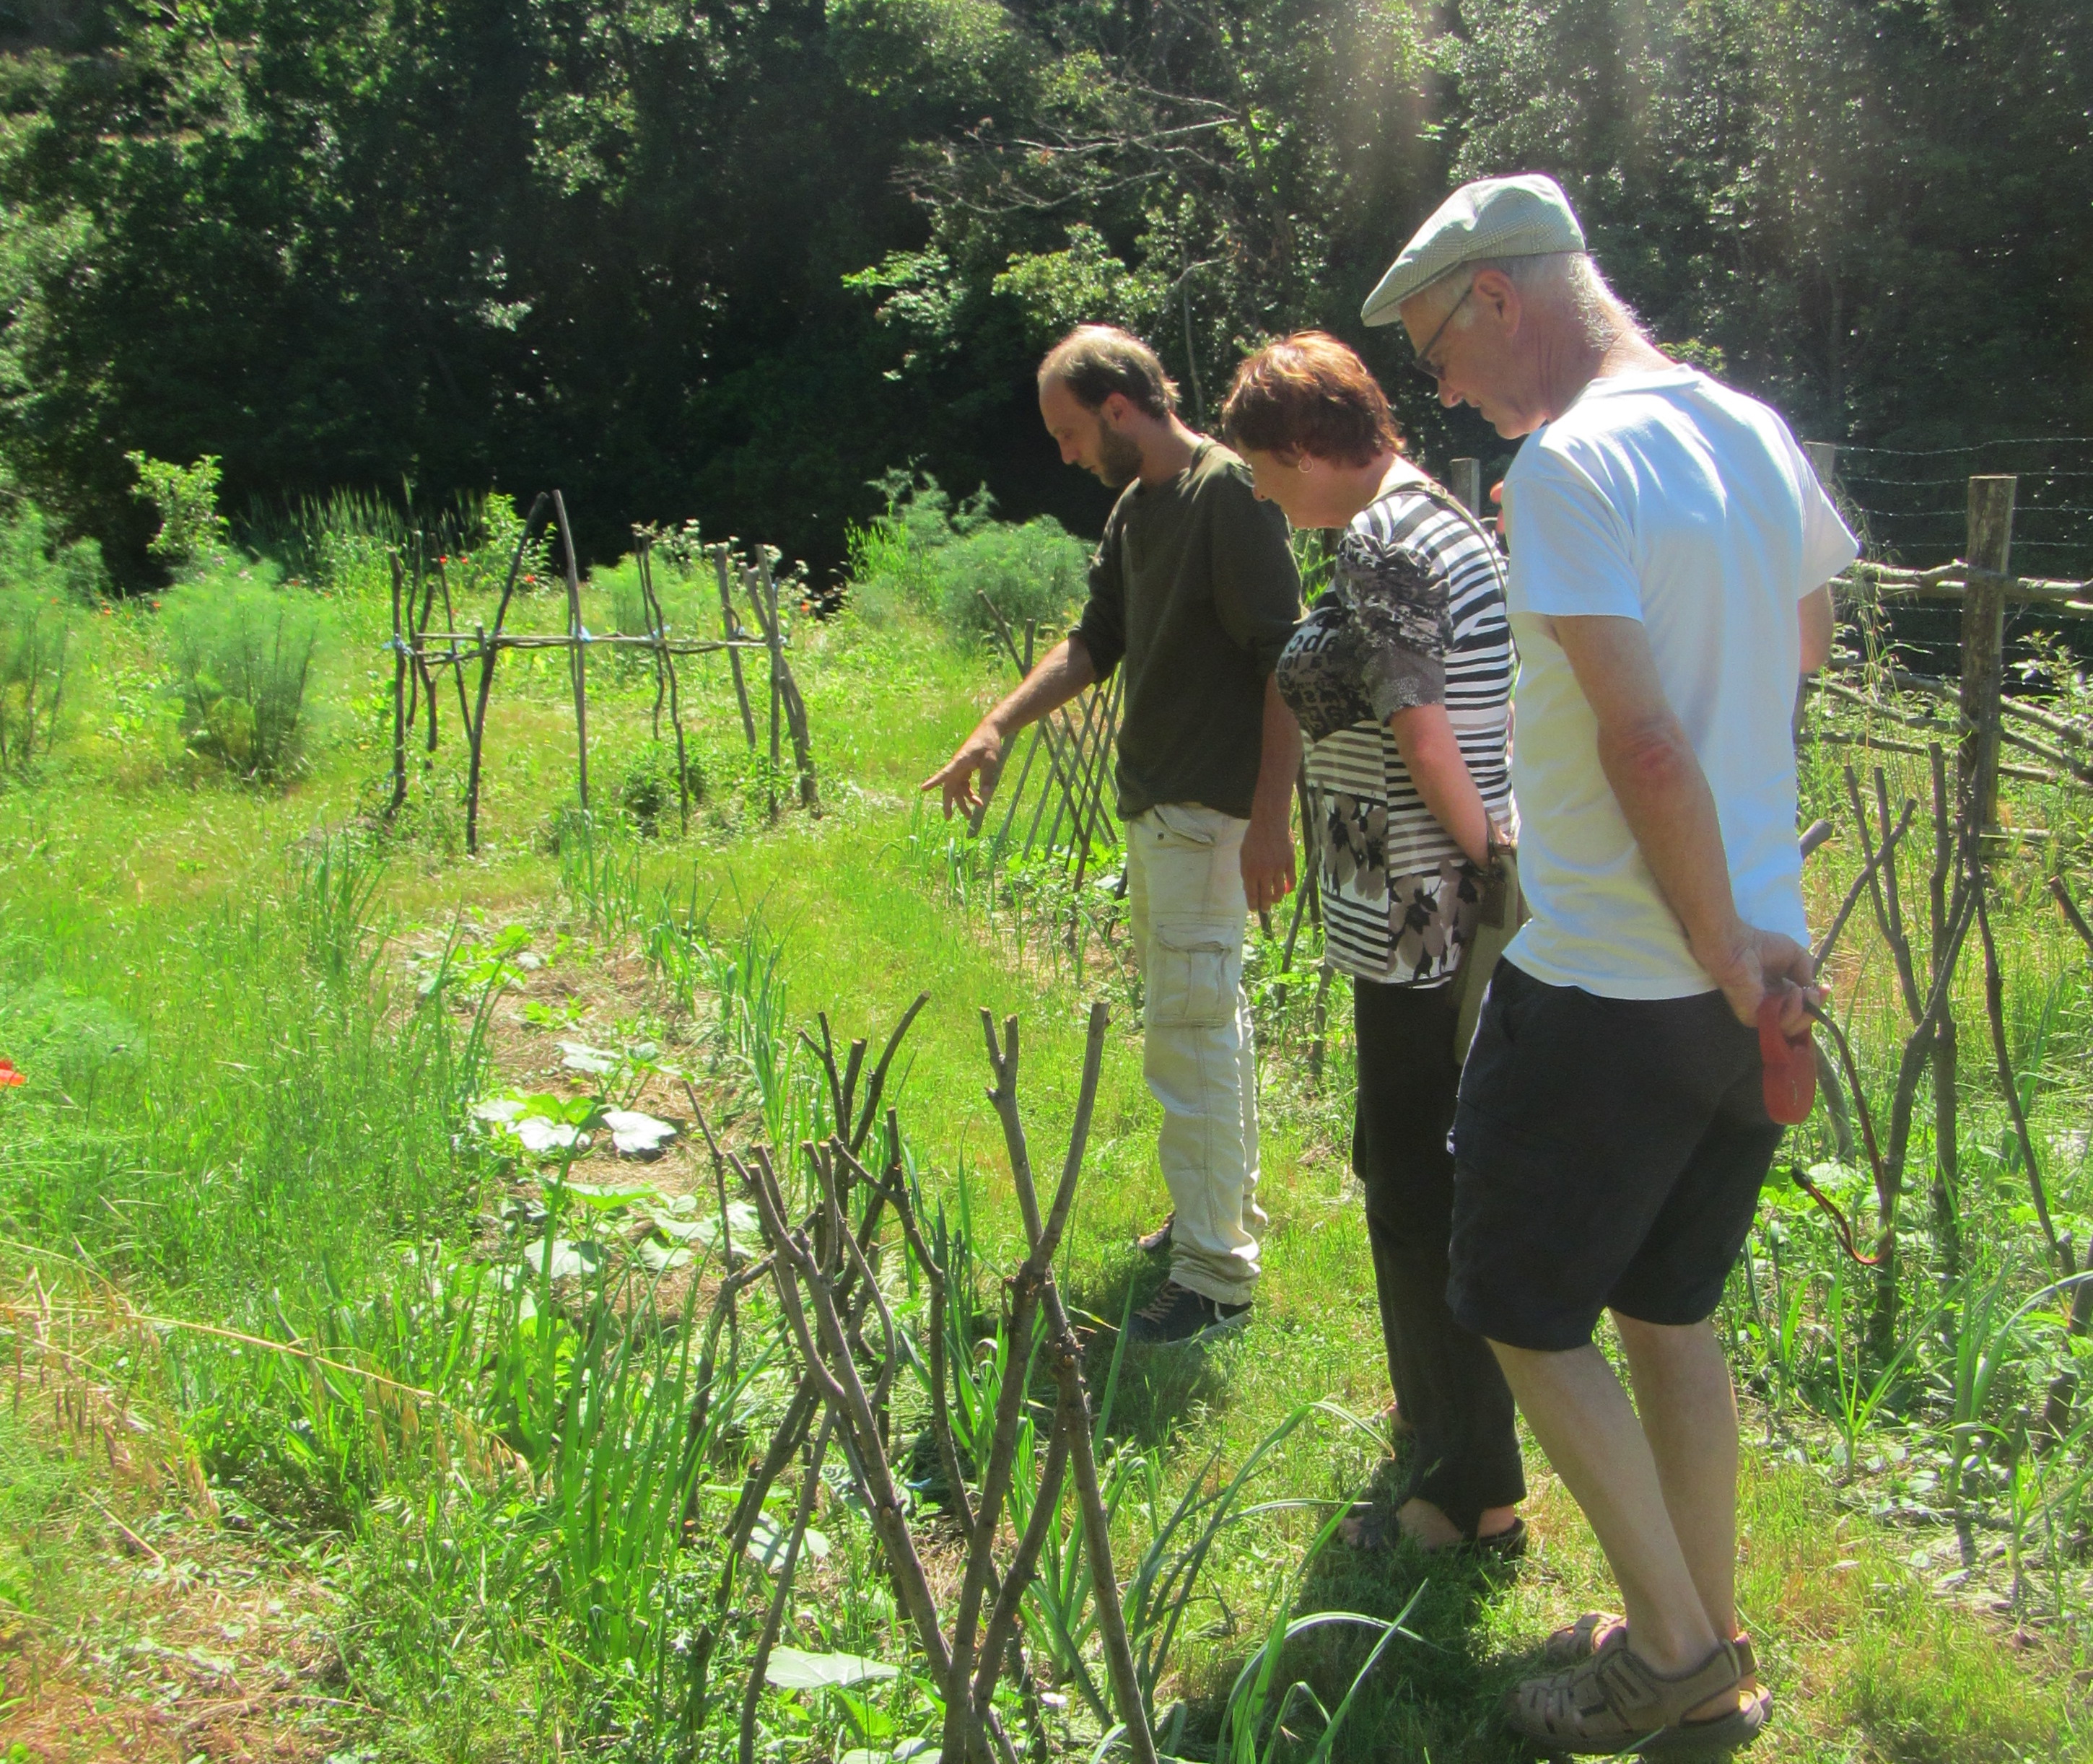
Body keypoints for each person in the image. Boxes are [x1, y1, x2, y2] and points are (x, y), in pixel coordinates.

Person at [1360, 173, 1850, 1752]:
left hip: (1619, 977)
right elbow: (1802, 642)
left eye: (1436, 346)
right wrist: (1746, 941)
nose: (1440, 387)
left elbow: (1640, 738)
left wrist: (1708, 939)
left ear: (1500, 298)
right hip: (1751, 981)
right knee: (1666, 1310)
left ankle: (1671, 1653)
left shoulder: (1570, 464)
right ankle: (1705, 1634)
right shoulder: (1748, 425)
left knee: (1515, 1302)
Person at [925, 325, 1303, 1345]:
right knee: (1206, 1020)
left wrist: (1271, 819)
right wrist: (998, 724)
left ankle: (1215, 1279)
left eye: (1069, 432)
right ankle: (1218, 1212)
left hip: (1209, 813)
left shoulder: (1229, 494)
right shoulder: (1141, 508)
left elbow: (1286, 659)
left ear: (1121, 408)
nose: (1064, 454)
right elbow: (1099, 637)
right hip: (1164, 808)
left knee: (1190, 1037)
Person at [1218, 332, 1526, 1554]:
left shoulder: (1386, 539)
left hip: (1422, 915)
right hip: (1414, 904)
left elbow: (1424, 726)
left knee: (1416, 1190)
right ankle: (1438, 1430)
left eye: (1263, 468)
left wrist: (1489, 873)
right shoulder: (1428, 518)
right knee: (1403, 1169)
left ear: (1307, 444)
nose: (1260, 493)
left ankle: (1465, 1495)